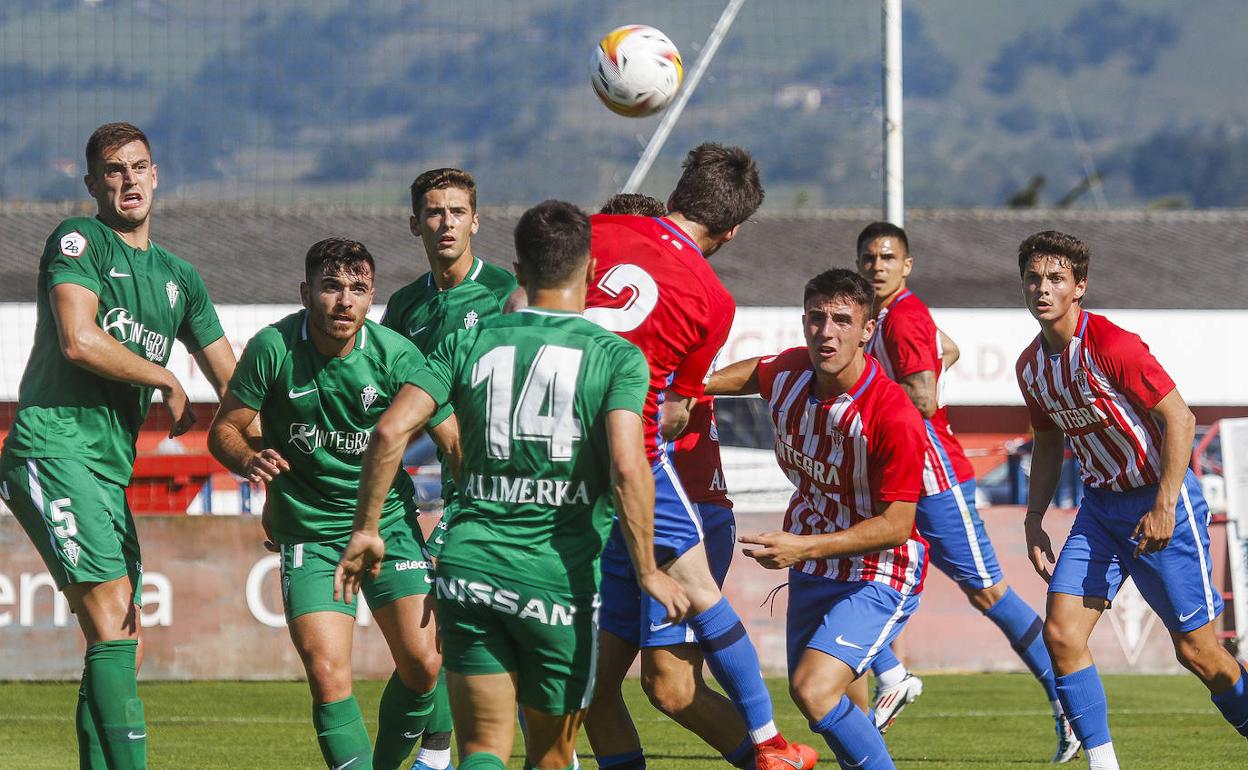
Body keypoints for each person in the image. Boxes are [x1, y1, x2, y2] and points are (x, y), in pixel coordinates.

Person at [335, 199, 689, 770]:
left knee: (481, 749)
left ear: (519, 271)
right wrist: (648, 568)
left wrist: (367, 529)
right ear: (593, 269)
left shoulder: (468, 341)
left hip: (470, 567)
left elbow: (389, 431)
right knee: (551, 754)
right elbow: (628, 467)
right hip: (557, 577)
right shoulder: (618, 357)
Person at [0, 121, 238, 769]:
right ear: (92, 183)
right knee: (110, 616)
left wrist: (292, 440)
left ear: (156, 175)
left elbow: (237, 385)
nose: (128, 180)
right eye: (113, 170)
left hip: (107, 471)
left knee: (117, 636)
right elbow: (78, 337)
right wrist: (163, 373)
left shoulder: (179, 279)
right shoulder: (80, 241)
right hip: (52, 447)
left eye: (138, 167)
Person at [582, 145, 817, 770]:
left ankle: (770, 753)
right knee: (596, 687)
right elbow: (678, 411)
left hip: (561, 460)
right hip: (630, 458)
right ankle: (770, 746)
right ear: (733, 228)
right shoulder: (711, 300)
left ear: (678, 191)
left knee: (659, 685)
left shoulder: (590, 233)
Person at [208, 238, 452, 770]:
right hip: (311, 533)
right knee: (327, 674)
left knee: (425, 664)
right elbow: (224, 429)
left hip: (387, 524)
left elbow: (451, 436)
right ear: (305, 292)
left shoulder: (394, 355)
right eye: (332, 287)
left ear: (371, 298)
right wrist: (249, 459)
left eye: (358, 289)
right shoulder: (271, 348)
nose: (345, 301)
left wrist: (468, 501)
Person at [1015, 231, 1248, 770]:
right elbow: (1048, 441)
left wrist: (1165, 503)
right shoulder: (1030, 367)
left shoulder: (1113, 345)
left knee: (1198, 653)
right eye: (1033, 278)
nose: (1042, 288)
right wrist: (1033, 519)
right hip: (1099, 510)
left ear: (1079, 287)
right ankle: (1104, 764)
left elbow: (1181, 419)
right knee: (1062, 632)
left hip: (1157, 501)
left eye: (1055, 279)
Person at [855, 222, 1077, 759]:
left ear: (906, 266)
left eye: (888, 257)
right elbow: (947, 350)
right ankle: (891, 676)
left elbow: (925, 399)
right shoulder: (888, 316)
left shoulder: (904, 316)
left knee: (989, 593)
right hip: (901, 479)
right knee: (848, 570)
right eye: (869, 258)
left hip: (934, 480)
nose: (877, 266)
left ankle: (1068, 702)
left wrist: (864, 403)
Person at [706, 269, 928, 770]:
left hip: (880, 567)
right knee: (835, 703)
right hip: (813, 562)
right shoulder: (790, 372)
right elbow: (754, 373)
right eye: (816, 318)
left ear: (867, 331)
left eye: (843, 321)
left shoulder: (892, 412)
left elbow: (897, 524)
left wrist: (800, 548)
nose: (827, 332)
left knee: (812, 690)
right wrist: (689, 389)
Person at [380, 167, 522, 768]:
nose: (445, 223)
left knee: (487, 632)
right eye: (434, 212)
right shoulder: (405, 305)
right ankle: (439, 753)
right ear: (415, 223)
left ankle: (444, 755)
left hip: (509, 483)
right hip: (456, 485)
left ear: (476, 220)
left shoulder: (505, 292)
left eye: (457, 211)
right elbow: (387, 389)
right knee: (441, 631)